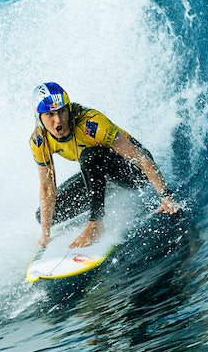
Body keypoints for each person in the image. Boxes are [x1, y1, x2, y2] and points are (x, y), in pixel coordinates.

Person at [30, 81, 181, 249]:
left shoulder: (91, 124)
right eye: (50, 115)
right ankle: (98, 203)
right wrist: (45, 235)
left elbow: (140, 157)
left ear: (69, 109)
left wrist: (165, 196)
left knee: (89, 157)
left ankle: (95, 224)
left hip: (133, 171)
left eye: (62, 111)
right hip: (101, 174)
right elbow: (47, 187)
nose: (58, 120)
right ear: (39, 117)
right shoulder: (39, 141)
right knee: (47, 216)